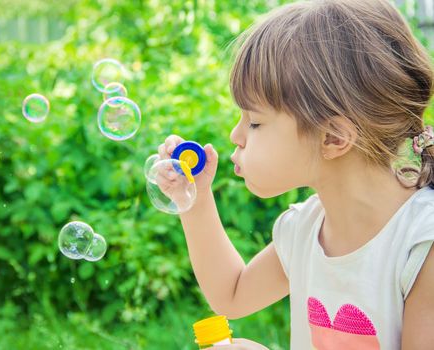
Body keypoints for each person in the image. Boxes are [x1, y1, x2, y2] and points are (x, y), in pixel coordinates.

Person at [156, 0, 434, 348]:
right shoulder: (304, 230)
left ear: (333, 137)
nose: (235, 136)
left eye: (255, 122)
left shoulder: (421, 246)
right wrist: (194, 199)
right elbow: (232, 293)